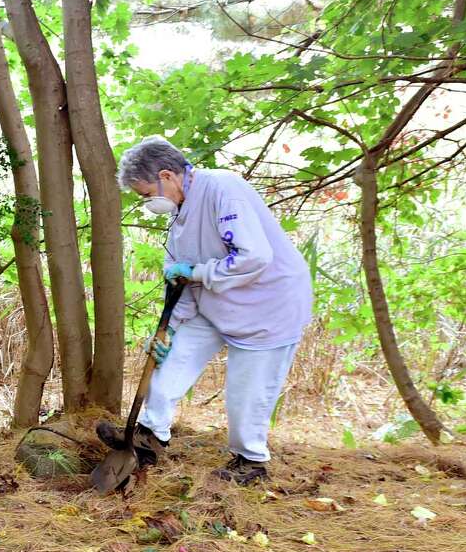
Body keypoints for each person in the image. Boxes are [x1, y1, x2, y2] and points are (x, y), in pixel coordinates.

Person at [95, 136, 313, 484]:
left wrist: (197, 272)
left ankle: (250, 462)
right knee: (168, 363)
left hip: (268, 307)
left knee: (246, 395)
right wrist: (169, 329)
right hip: (215, 302)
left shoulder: (223, 189)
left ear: (167, 176)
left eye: (146, 194)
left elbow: (254, 256)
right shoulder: (179, 214)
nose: (147, 202)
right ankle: (149, 436)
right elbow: (179, 279)